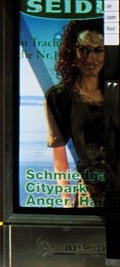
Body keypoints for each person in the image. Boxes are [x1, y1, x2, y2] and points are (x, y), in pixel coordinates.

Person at [44, 21, 105, 208]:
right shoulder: (60, 97)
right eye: (84, 49)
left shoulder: (114, 91)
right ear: (73, 52)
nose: (90, 58)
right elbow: (59, 151)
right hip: (90, 191)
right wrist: (66, 200)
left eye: (98, 50)